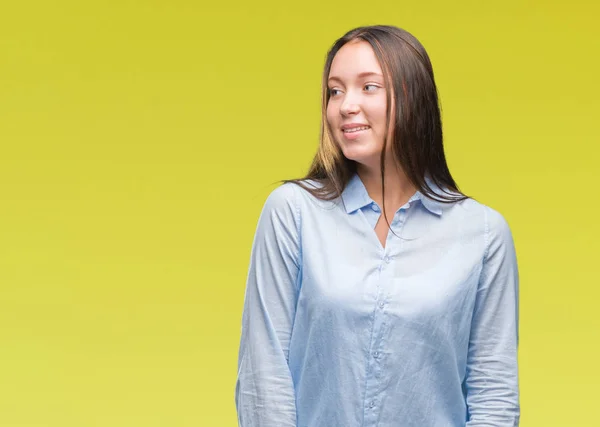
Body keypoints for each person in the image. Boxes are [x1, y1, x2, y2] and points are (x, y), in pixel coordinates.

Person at [235, 25, 520, 427]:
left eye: (368, 87)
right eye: (335, 90)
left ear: (413, 99)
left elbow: (494, 393)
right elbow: (263, 376)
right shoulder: (293, 212)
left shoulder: (484, 234)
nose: (345, 105)